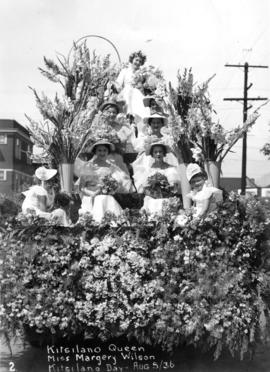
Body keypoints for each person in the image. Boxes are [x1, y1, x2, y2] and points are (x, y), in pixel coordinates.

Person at [78, 140, 133, 222]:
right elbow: (81, 187)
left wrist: (110, 189)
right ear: (95, 151)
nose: (102, 153)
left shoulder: (112, 167)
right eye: (99, 150)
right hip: (90, 196)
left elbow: (119, 183)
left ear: (108, 152)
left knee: (105, 199)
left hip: (105, 196)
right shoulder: (88, 166)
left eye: (105, 150)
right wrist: (92, 193)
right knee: (99, 200)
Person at [133, 141, 181, 216]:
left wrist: (165, 190)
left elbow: (174, 188)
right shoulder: (148, 170)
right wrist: (154, 192)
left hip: (166, 199)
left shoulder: (171, 169)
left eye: (160, 152)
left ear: (164, 153)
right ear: (152, 154)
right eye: (155, 152)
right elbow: (144, 189)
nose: (158, 154)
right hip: (152, 200)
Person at [115, 50, 148, 127]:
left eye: (140, 61)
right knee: (126, 112)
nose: (138, 62)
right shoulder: (125, 71)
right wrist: (117, 89)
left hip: (138, 93)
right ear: (132, 60)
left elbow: (145, 86)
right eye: (136, 60)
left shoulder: (142, 74)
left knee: (140, 112)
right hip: (126, 92)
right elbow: (118, 83)